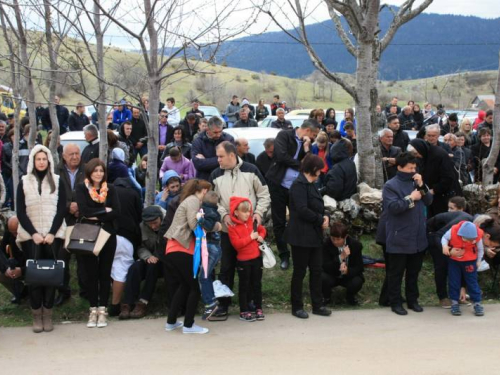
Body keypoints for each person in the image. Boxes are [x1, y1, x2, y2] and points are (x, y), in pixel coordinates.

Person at [209, 141, 270, 319]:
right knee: (226, 268)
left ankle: (251, 302)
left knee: (251, 268)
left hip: (249, 232)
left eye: (220, 156)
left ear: (231, 155)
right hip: (228, 231)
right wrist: (223, 215)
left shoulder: (252, 170)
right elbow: (214, 201)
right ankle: (223, 304)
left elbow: (264, 194)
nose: (217, 159)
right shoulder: (215, 173)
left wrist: (258, 213)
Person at [16, 145, 67, 333]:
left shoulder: (57, 180)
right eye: (38, 159)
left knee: (50, 276)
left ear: (49, 161)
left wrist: (52, 232)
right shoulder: (24, 181)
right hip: (32, 236)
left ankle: (48, 313)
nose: (41, 162)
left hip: (53, 236)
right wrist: (34, 233)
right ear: (32, 161)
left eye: (44, 159)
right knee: (35, 277)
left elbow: (62, 208)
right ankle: (36, 314)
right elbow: (20, 211)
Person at [382, 152, 432, 316]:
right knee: (396, 273)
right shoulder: (391, 185)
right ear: (400, 167)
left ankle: (413, 300)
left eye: (414, 167)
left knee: (413, 272)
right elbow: (393, 208)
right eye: (410, 168)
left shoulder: (416, 182)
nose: (413, 170)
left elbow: (428, 201)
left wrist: (422, 186)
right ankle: (395, 302)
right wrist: (410, 198)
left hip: (418, 236)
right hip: (399, 236)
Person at [266, 120, 320, 270]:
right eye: (314, 135)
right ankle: (284, 255)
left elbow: (310, 162)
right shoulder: (284, 135)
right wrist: (301, 165)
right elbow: (281, 156)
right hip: (277, 184)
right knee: (279, 220)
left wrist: (307, 147)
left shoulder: (305, 142)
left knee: (300, 217)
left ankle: (301, 252)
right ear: (308, 130)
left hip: (295, 187)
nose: (315, 137)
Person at [76, 159, 120, 328]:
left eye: (101, 171)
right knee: (91, 274)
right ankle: (92, 309)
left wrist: (96, 215)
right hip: (88, 234)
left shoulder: (111, 188)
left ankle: (103, 310)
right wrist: (103, 211)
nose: (98, 174)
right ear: (89, 172)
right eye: (95, 171)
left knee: (104, 272)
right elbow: (84, 211)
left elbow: (117, 212)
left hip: (108, 234)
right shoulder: (81, 188)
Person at [164, 178, 212, 334]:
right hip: (181, 248)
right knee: (194, 288)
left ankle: (171, 322)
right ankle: (189, 325)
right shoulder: (193, 201)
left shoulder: (187, 200)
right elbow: (194, 224)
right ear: (203, 190)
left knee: (184, 286)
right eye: (208, 191)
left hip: (174, 248)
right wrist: (212, 226)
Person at [286, 154, 331, 319]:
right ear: (313, 169)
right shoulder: (298, 185)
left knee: (317, 271)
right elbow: (302, 209)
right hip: (300, 236)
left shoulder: (312, 184)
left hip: (314, 236)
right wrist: (320, 220)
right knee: (299, 272)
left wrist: (325, 216)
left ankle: (317, 304)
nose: (321, 172)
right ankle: (297, 306)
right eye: (319, 169)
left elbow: (318, 205)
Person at [427, 196, 473, 308]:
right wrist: (448, 250)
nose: (449, 211)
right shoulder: (458, 221)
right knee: (441, 267)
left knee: (461, 266)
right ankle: (442, 297)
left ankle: (459, 295)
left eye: (452, 208)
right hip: (435, 236)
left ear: (461, 209)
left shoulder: (470, 224)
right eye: (449, 208)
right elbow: (438, 235)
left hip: (449, 239)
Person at [120, 206, 165, 320]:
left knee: (153, 266)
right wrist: (147, 256)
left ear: (161, 218)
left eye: (155, 222)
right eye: (149, 224)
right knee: (134, 267)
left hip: (163, 262)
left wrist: (156, 257)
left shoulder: (168, 224)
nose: (153, 226)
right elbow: (140, 246)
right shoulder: (142, 227)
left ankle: (143, 302)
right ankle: (127, 303)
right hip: (147, 258)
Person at [55, 143, 85, 305]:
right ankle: (63, 291)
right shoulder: (56, 171)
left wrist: (80, 206)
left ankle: (85, 290)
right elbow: (53, 195)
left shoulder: (86, 170)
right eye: (71, 154)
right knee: (62, 256)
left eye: (77, 153)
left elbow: (93, 191)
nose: (75, 157)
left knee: (82, 255)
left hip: (82, 219)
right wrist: (69, 206)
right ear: (64, 157)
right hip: (63, 220)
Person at [227, 197, 266, 322]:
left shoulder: (252, 222)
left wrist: (260, 236)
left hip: (256, 259)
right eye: (244, 211)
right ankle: (244, 310)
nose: (247, 214)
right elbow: (236, 244)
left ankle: (258, 308)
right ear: (236, 212)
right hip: (243, 261)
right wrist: (250, 237)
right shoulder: (232, 227)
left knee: (257, 284)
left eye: (249, 211)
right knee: (244, 286)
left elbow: (262, 230)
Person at [108, 176, 142, 317]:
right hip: (125, 237)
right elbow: (139, 217)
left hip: (105, 235)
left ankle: (101, 305)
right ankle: (116, 305)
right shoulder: (133, 193)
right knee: (121, 270)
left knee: (107, 268)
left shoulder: (107, 191)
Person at [409, 138, 461, 218]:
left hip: (445, 195)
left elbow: (448, 177)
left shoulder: (439, 155)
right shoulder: (423, 157)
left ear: (421, 149)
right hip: (431, 195)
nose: (417, 156)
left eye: (417, 153)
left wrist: (434, 190)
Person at [442, 221, 485, 316]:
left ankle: (477, 303)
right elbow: (444, 238)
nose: (469, 242)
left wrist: (478, 261)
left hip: (470, 261)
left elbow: (480, 249)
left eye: (472, 240)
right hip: (454, 262)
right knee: (454, 281)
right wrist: (445, 246)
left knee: (472, 282)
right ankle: (454, 303)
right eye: (467, 240)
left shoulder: (477, 235)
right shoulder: (453, 230)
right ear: (460, 235)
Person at [322, 222, 364, 306]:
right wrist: (340, 258)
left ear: (345, 237)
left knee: (358, 280)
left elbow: (359, 267)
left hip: (347, 276)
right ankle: (326, 297)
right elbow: (324, 266)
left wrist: (348, 271)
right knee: (321, 277)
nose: (335, 242)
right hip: (332, 275)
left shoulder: (355, 245)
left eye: (338, 239)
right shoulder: (325, 244)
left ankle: (350, 297)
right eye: (333, 238)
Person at [196, 191, 223, 320]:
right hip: (213, 248)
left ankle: (210, 304)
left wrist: (200, 219)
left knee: (204, 276)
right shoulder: (214, 211)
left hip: (211, 248)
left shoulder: (208, 212)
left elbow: (209, 225)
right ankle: (211, 301)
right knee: (206, 275)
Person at [192, 116, 234, 181]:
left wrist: (206, 161)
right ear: (207, 129)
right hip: (205, 180)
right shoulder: (198, 141)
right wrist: (223, 158)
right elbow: (198, 164)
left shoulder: (228, 139)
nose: (219, 135)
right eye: (215, 132)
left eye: (220, 131)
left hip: (225, 178)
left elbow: (232, 159)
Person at [0, 216, 26, 305]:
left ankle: (38, 294)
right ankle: (22, 291)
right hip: (15, 264)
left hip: (30, 267)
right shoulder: (9, 233)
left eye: (16, 232)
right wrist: (6, 267)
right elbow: (2, 251)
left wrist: (22, 270)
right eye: (13, 233)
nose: (15, 235)